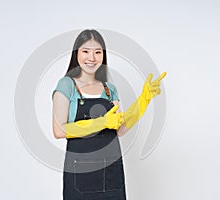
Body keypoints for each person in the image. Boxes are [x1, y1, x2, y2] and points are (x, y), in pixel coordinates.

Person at [52, 29, 166, 200]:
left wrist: (144, 99)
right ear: (76, 54)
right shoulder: (66, 85)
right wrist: (102, 123)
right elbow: (59, 130)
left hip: (111, 171)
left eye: (98, 52)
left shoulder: (109, 89)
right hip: (80, 174)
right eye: (86, 51)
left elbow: (120, 128)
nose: (92, 58)